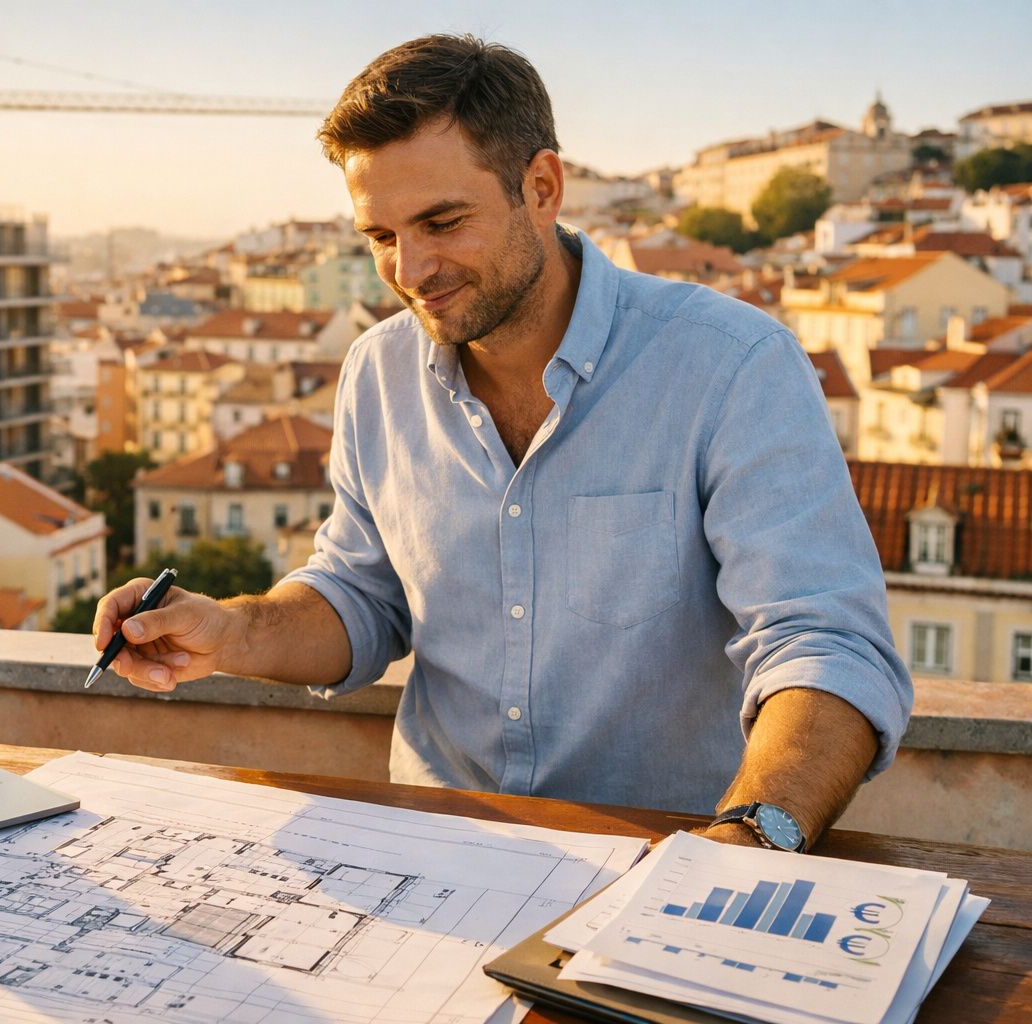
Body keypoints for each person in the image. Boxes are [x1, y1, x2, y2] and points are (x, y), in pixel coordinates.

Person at [91, 34, 911, 850]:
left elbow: (826, 646)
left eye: (443, 222)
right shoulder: (378, 373)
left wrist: (744, 844)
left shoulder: (732, 366)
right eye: (379, 237)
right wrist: (229, 631)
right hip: (433, 854)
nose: (411, 269)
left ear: (543, 188)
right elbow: (361, 597)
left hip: (665, 862)